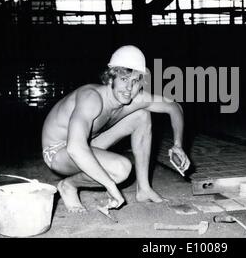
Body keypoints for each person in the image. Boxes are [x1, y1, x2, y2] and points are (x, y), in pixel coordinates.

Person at [41, 45, 190, 213]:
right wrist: (110, 185)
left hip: (87, 143)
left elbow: (173, 106)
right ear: (111, 78)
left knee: (142, 115)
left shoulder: (133, 98)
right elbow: (75, 148)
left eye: (135, 81)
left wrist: (178, 145)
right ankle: (68, 185)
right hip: (58, 152)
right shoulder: (92, 98)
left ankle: (144, 189)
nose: (129, 88)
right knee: (121, 169)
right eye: (124, 79)